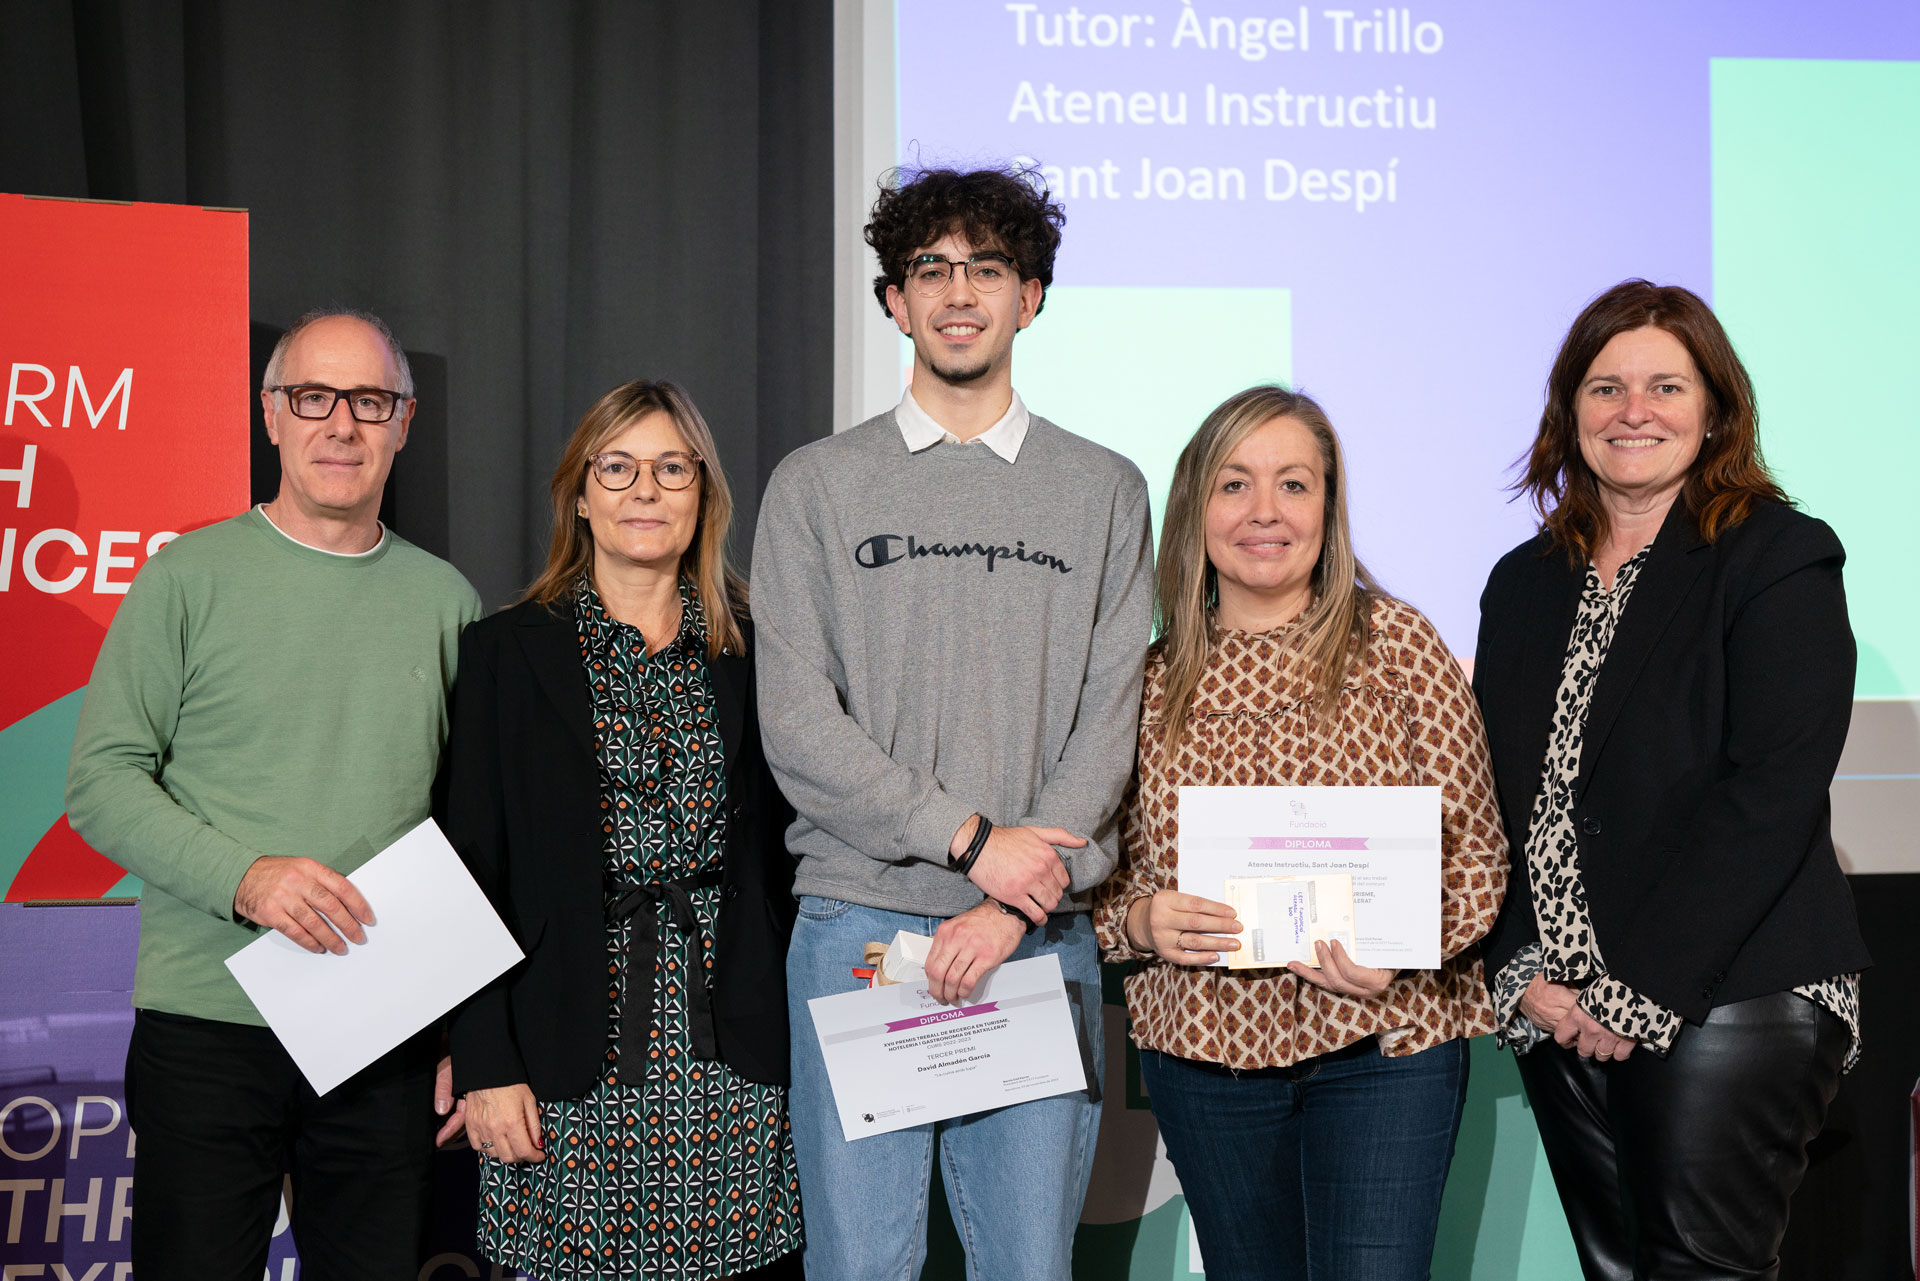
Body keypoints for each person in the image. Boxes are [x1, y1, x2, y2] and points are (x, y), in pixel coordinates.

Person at [751, 164, 1153, 1280]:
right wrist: (976, 845)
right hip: (858, 932)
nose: (958, 292)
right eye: (931, 269)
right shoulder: (817, 486)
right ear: (894, 301)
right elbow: (796, 724)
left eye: (987, 268)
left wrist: (1005, 904)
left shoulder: (1106, 488)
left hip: (1034, 936)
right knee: (860, 1268)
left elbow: (1108, 720)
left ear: (1033, 296)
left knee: (1027, 1267)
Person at [65, 310, 483, 1279]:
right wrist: (245, 879)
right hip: (208, 1022)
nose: (342, 424)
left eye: (369, 401)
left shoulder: (449, 603)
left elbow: (472, 832)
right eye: (314, 398)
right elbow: (100, 781)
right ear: (272, 416)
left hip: (385, 1025)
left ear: (404, 423)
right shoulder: (185, 579)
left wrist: (469, 1029)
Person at [1474, 279, 1868, 1280]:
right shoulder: (1524, 583)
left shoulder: (1776, 555)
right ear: (1571, 411)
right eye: (1605, 388)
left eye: (1664, 386)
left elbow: (1771, 792)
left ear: (1715, 410)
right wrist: (1526, 972)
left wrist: (1635, 989)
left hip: (1728, 993)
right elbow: (1496, 797)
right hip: (1564, 1010)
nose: (1633, 411)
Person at [1093, 385, 1507, 1280]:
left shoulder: (1397, 646)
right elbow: (1099, 881)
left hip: (1383, 1044)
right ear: (1195, 505)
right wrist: (1142, 922)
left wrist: (1406, 945)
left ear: (1329, 505)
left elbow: (1478, 854)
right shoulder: (1147, 682)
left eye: (1294, 484)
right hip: (1205, 1056)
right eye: (1235, 485)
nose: (1266, 513)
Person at [445, 379, 802, 1280]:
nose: (645, 490)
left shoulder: (765, 650)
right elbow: (468, 870)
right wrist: (484, 1059)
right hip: (563, 1043)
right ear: (581, 494)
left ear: (705, 496)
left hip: (736, 1044)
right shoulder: (505, 651)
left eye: (671, 468)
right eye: (619, 467)